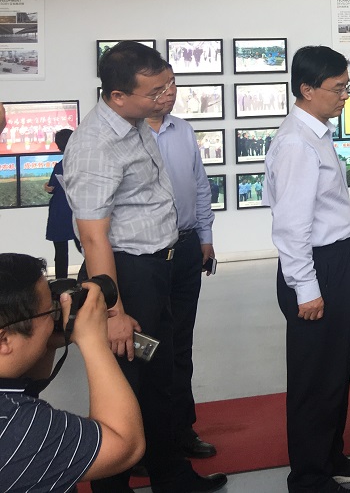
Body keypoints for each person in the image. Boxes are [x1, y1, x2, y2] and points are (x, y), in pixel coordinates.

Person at [64, 40, 226, 493]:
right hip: (126, 277)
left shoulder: (134, 124)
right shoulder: (95, 145)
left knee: (160, 379)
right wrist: (114, 312)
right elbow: (93, 237)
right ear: (117, 95)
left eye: (169, 85)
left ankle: (171, 476)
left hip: (158, 271)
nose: (165, 97)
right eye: (154, 92)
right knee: (125, 387)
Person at [265, 45, 350, 493]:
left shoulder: (317, 132)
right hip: (315, 267)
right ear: (307, 89)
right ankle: (308, 477)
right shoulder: (296, 143)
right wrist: (306, 288)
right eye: (338, 88)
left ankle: (329, 456)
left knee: (334, 369)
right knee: (313, 377)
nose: (345, 95)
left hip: (334, 259)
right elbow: (291, 227)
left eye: (347, 86)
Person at [0, 254, 145, 492]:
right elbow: (125, 444)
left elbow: (27, 387)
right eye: (49, 312)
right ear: (4, 340)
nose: (55, 316)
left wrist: (46, 341)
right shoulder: (20, 427)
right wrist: (93, 341)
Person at [145, 66, 218, 462]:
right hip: (146, 257)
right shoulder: (128, 136)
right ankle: (146, 441)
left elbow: (200, 186)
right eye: (162, 85)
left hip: (187, 247)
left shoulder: (183, 131)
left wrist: (206, 238)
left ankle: (181, 429)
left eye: (173, 83)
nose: (170, 91)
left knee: (180, 345)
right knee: (147, 349)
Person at [44, 128, 80, 279]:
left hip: (60, 211)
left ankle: (61, 284)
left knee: (60, 252)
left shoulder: (60, 165)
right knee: (86, 248)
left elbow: (51, 188)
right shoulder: (83, 162)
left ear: (59, 146)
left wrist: (46, 187)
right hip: (78, 211)